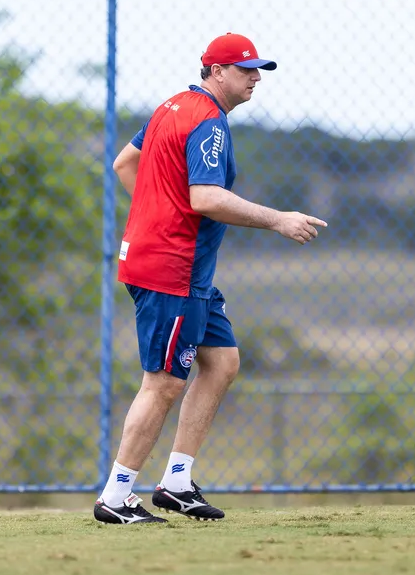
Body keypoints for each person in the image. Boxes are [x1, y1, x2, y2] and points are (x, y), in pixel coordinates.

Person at [94, 33, 328, 525]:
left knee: (221, 362)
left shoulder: (171, 106)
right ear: (216, 71)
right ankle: (116, 497)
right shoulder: (209, 122)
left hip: (181, 267)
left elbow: (124, 163)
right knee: (162, 383)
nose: (256, 78)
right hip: (171, 269)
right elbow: (205, 198)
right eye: (246, 70)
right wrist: (277, 219)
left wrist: (156, 211)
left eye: (257, 69)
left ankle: (176, 482)